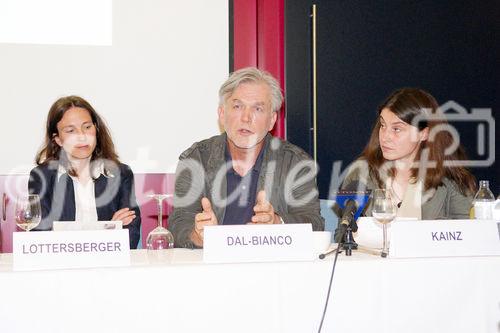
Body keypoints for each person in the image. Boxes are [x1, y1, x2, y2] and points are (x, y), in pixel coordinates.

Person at [169, 67, 324, 248]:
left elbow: (315, 225)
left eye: (258, 108)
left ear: (272, 120)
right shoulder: (196, 159)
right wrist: (197, 234)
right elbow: (178, 222)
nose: (246, 117)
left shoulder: (295, 163)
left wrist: (277, 223)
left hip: (272, 269)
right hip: (211, 270)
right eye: (237, 106)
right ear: (222, 114)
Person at [338, 88, 476, 227]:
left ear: (424, 133)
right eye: (383, 125)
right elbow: (342, 233)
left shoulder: (449, 178)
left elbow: (470, 235)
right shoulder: (361, 172)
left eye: (397, 129)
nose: (385, 137)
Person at [28, 96, 141, 249]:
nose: (82, 136)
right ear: (58, 140)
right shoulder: (41, 177)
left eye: (87, 127)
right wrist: (109, 230)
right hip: (61, 269)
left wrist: (65, 234)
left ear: (96, 130)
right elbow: (41, 237)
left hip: (109, 268)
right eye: (70, 130)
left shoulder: (121, 174)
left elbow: (130, 236)